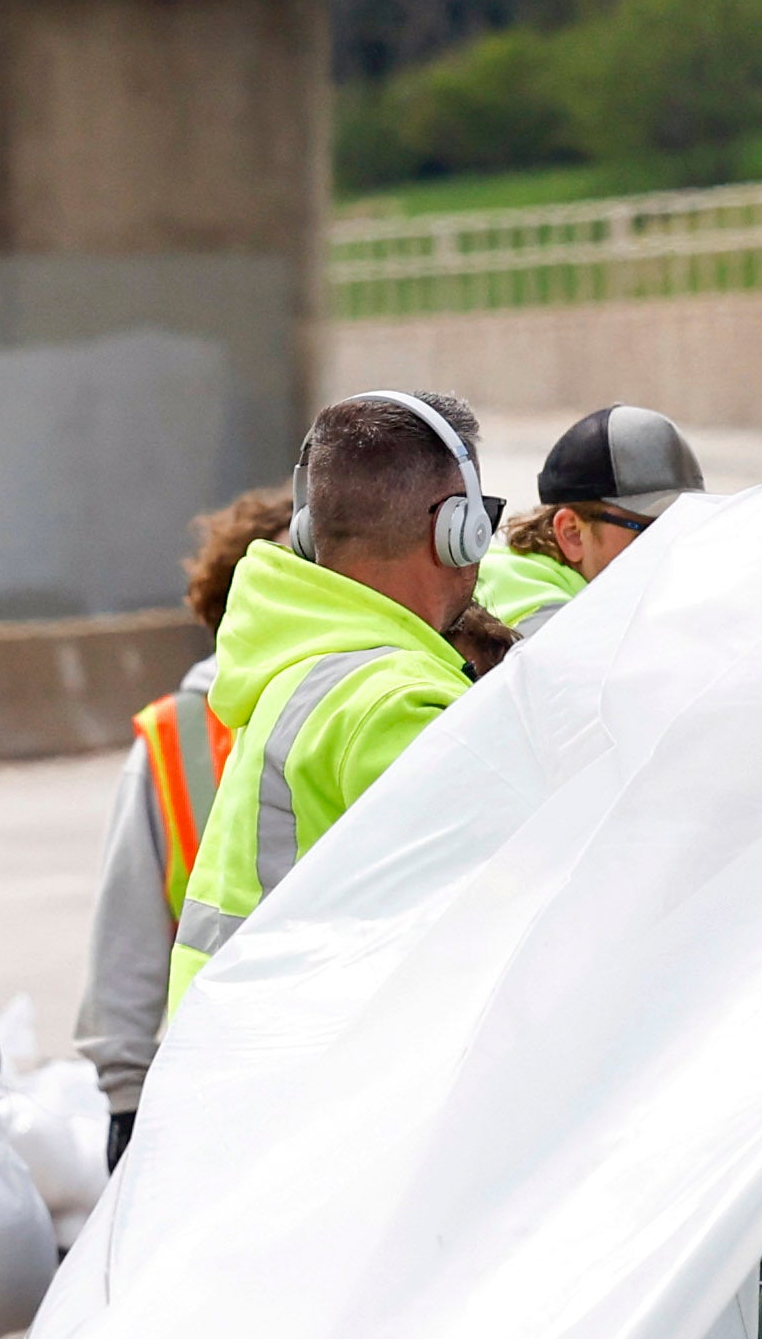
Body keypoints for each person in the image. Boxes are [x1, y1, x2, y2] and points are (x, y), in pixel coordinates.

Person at [162, 392, 489, 1012]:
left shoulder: (298, 668)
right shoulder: (396, 704)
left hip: (231, 1054)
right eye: (483, 515)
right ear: (456, 529)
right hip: (300, 1065)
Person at [72, 484, 289, 1167]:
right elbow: (129, 930)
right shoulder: (179, 738)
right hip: (219, 1079)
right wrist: (126, 1097)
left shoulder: (378, 699)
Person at [476, 404, 706, 641]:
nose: (673, 549)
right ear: (572, 533)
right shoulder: (548, 627)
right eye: (652, 532)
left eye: (685, 527)